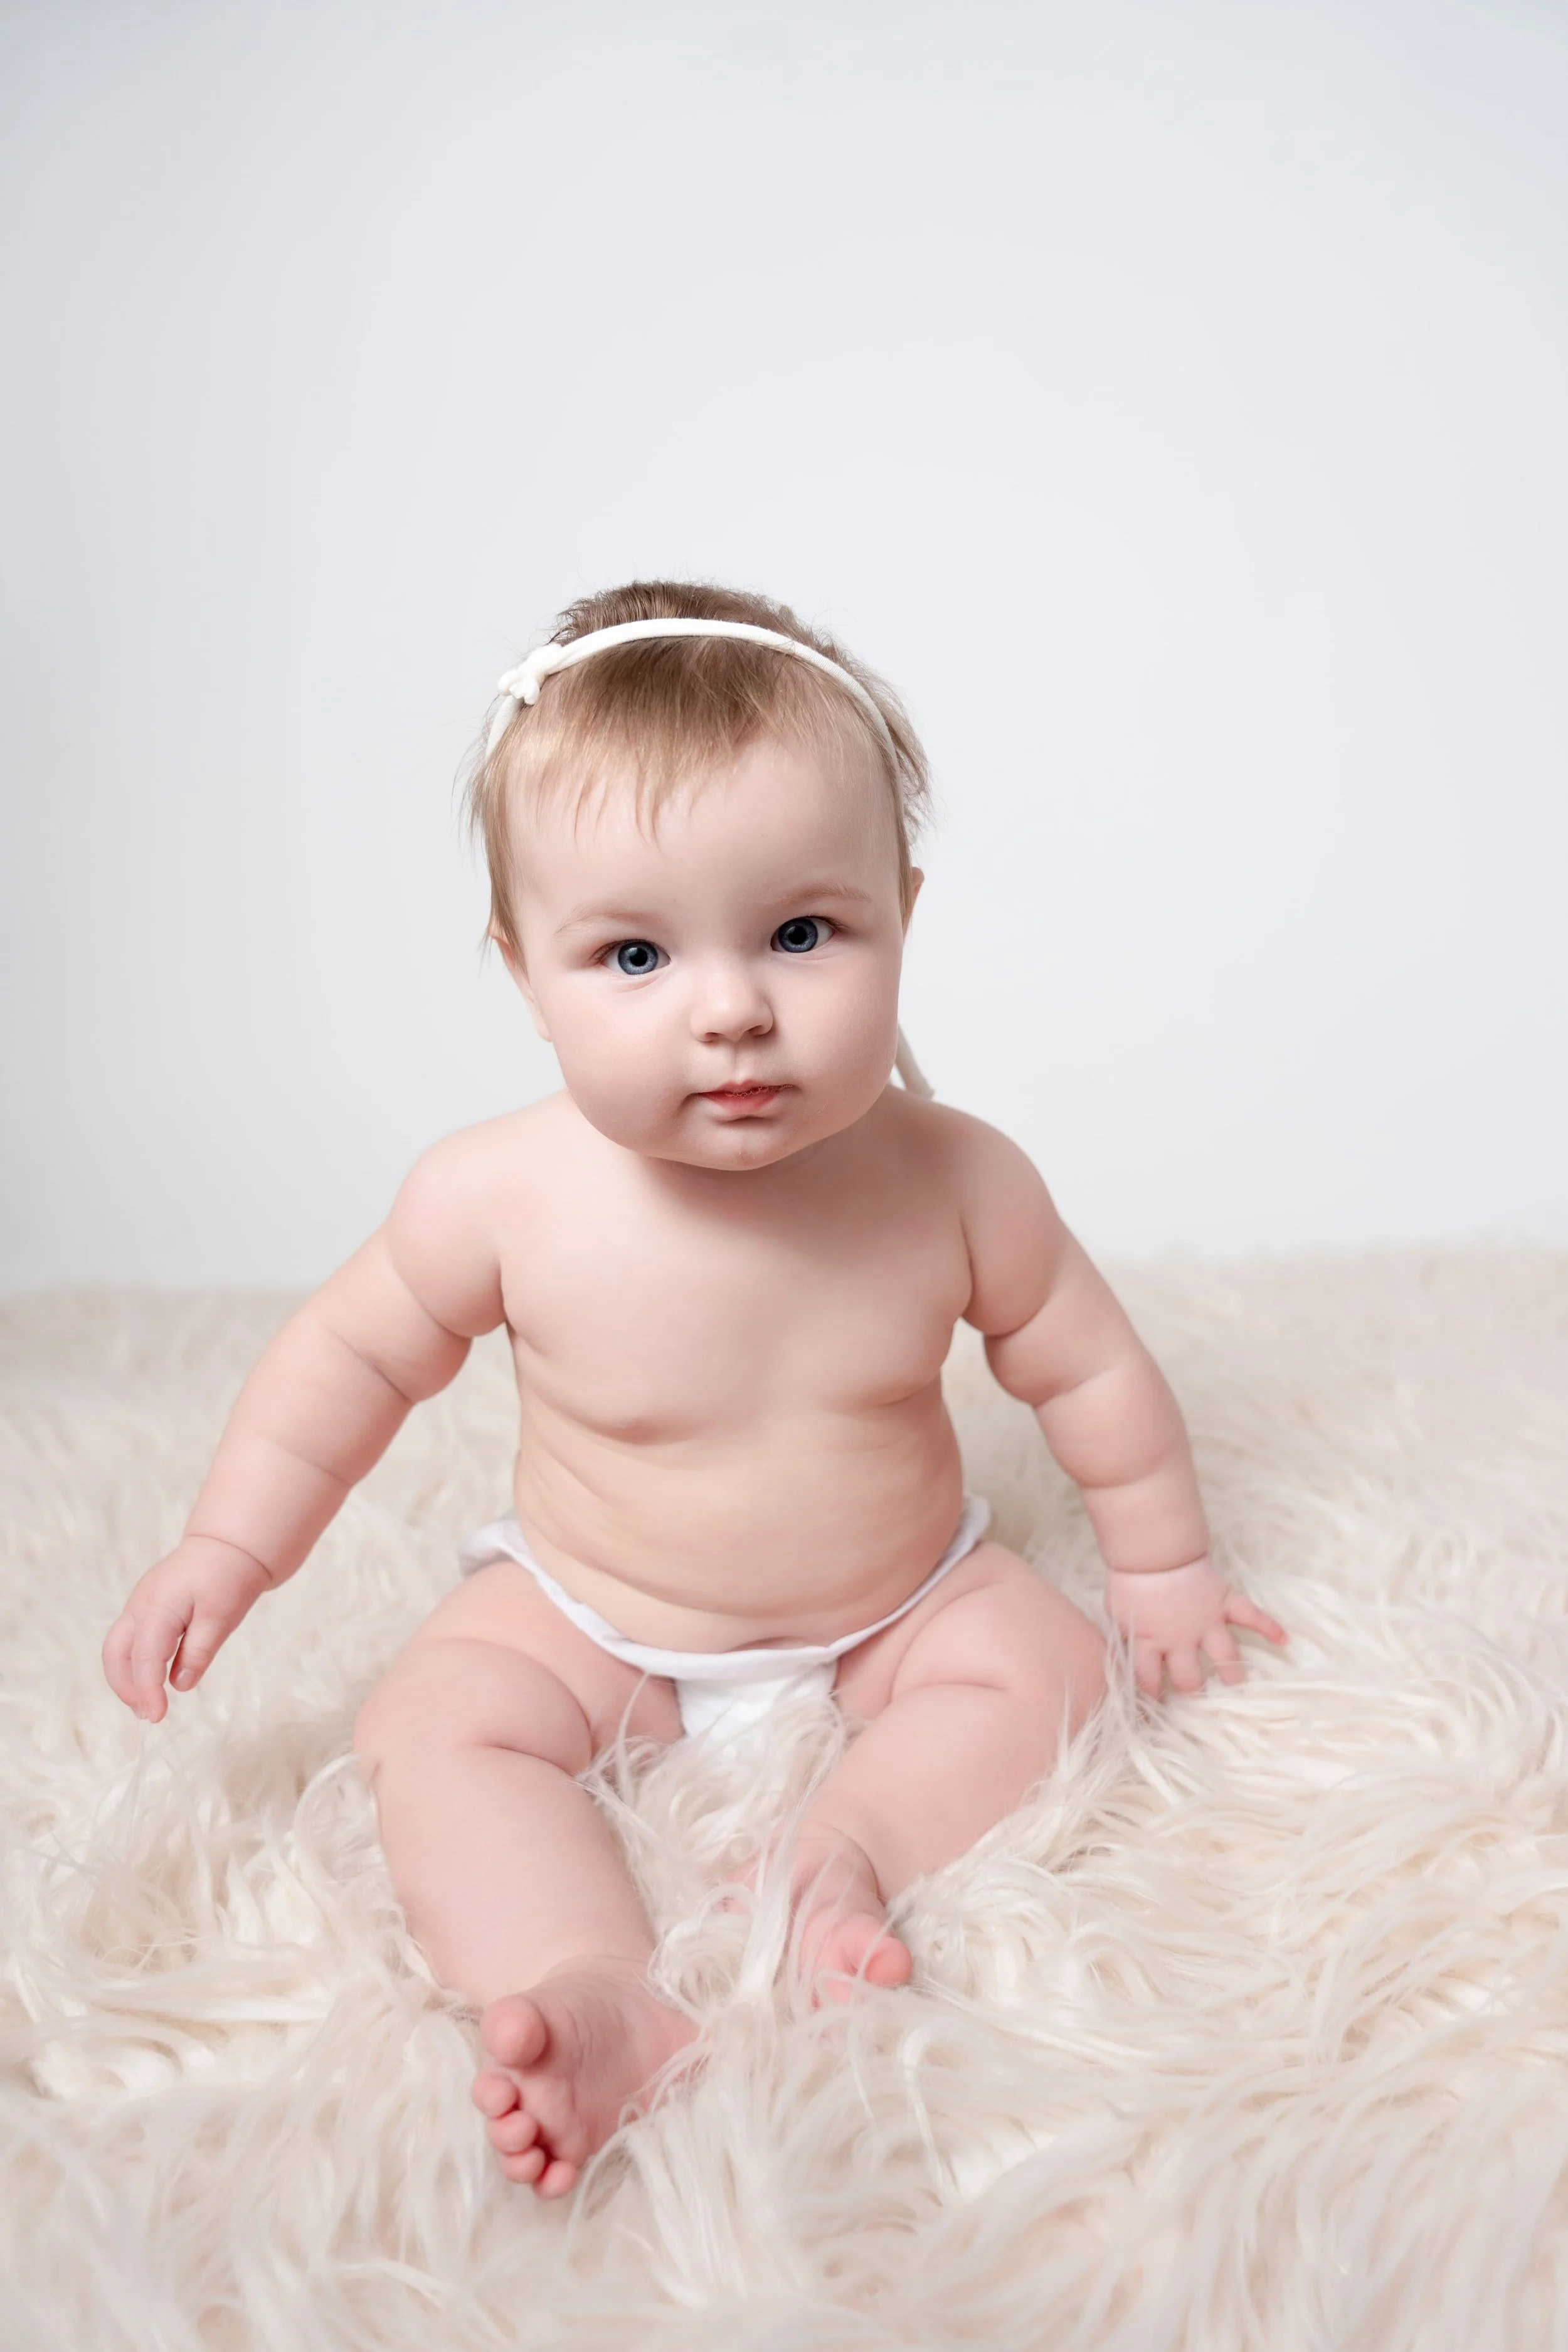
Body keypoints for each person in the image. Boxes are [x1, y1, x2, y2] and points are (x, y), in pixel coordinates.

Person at [102, 580, 1288, 2199]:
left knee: (1052, 1664)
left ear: (903, 914)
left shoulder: (956, 1179)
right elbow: (353, 1361)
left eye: (803, 933)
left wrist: (1161, 1568)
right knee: (435, 1726)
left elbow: (1084, 1363)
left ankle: (840, 1859)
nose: (731, 1007)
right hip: (597, 1612)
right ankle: (597, 1984)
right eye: (636, 953)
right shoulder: (497, 1196)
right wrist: (225, 1549)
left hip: (896, 1603)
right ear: (527, 971)